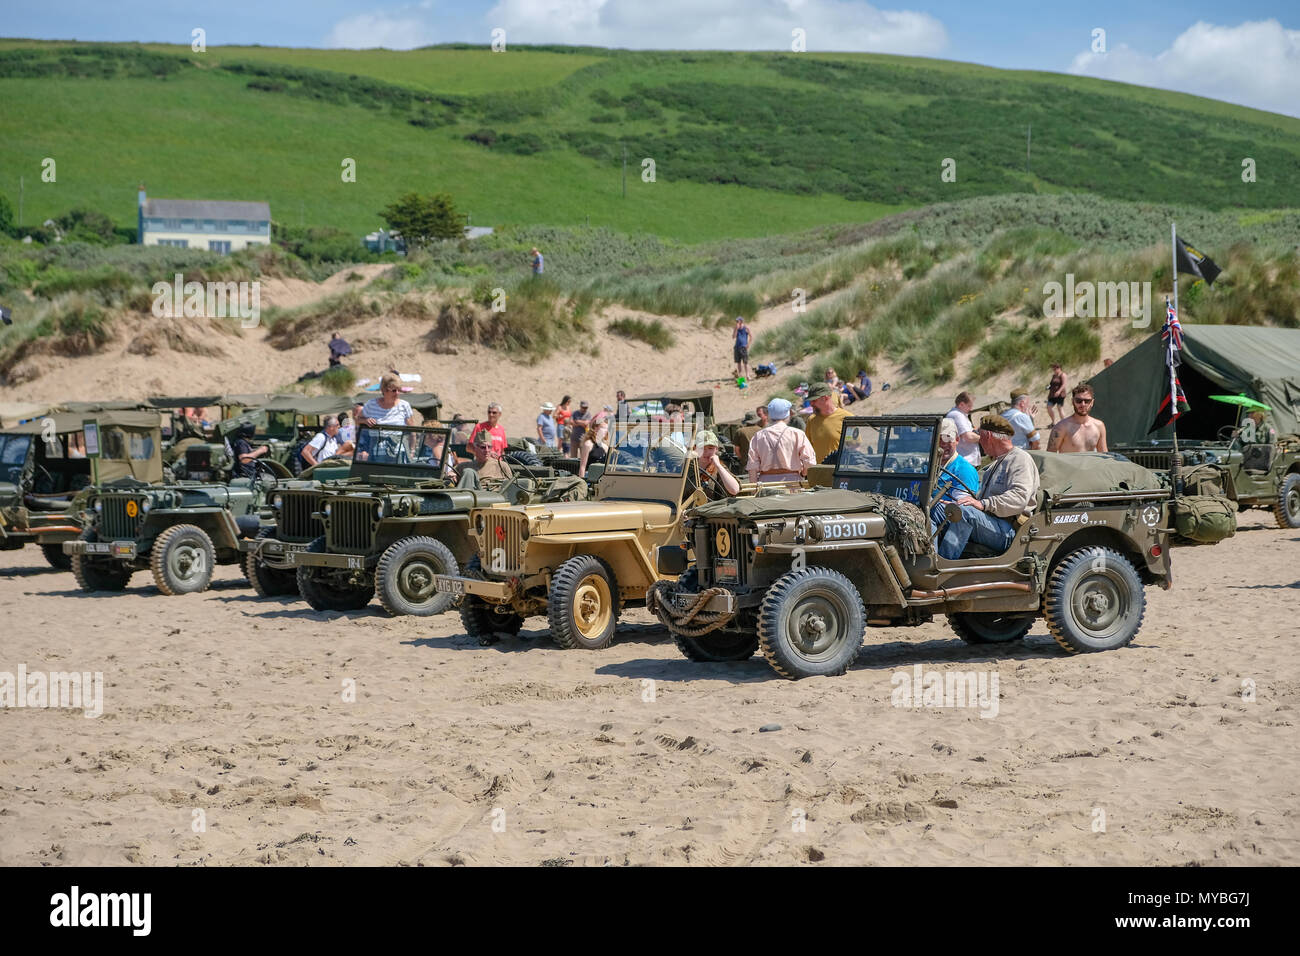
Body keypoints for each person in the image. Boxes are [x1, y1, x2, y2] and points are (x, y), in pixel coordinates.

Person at [937, 415, 1040, 561]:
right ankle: (928, 557)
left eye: (980, 436)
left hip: (1009, 530)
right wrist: (960, 503)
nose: (980, 441)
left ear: (989, 436)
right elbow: (979, 504)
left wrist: (983, 504)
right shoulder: (993, 466)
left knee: (965, 513)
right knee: (936, 508)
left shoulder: (1020, 459)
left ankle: (941, 564)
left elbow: (1019, 498)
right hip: (991, 523)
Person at [746, 398, 816, 483]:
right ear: (788, 414)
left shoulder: (758, 436)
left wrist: (754, 489)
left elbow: (752, 466)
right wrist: (803, 474)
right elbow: (810, 462)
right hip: (793, 482)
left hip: (766, 483)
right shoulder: (797, 434)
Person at [930, 418, 980, 530]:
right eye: (938, 439)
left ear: (957, 439)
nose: (943, 444)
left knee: (927, 512)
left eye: (948, 438)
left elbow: (961, 511)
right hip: (926, 513)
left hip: (951, 523)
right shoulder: (926, 466)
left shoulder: (964, 470)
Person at [1047, 383, 1108, 453]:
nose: (1083, 404)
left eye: (1087, 401)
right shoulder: (1061, 427)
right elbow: (1049, 456)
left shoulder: (1099, 426)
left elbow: (1104, 455)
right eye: (1079, 401)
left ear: (1092, 402)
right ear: (1072, 401)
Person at [805, 381, 851, 464]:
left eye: (814, 400)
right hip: (818, 474)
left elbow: (853, 447)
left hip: (840, 474)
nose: (811, 404)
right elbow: (807, 449)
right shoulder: (811, 420)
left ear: (825, 398)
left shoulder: (847, 418)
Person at [694, 430, 741, 499]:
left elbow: (734, 490)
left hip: (712, 508)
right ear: (695, 449)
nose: (706, 452)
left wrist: (718, 466)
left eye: (710, 448)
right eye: (701, 448)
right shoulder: (688, 467)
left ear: (716, 449)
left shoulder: (718, 468)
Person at [944, 391, 982, 466]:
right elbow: (968, 437)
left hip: (964, 461)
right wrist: (984, 438)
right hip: (965, 460)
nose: (971, 408)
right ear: (961, 404)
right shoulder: (957, 415)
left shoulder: (958, 414)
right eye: (969, 406)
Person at [732, 317, 751, 387]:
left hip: (743, 347)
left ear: (741, 321)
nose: (737, 322)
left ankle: (747, 375)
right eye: (736, 321)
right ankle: (740, 376)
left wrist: (748, 344)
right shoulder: (736, 328)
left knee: (745, 362)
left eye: (738, 321)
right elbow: (733, 337)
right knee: (738, 363)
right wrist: (736, 329)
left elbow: (751, 336)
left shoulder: (746, 327)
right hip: (737, 347)